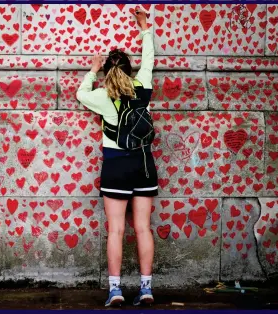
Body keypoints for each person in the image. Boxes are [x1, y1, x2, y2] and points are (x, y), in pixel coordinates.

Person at [75, 6, 158, 307]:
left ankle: (115, 291)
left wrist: (92, 71)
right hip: (144, 164)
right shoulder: (143, 86)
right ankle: (146, 288)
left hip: (115, 165)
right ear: (130, 69)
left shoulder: (102, 95)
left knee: (116, 229)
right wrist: (144, 28)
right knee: (143, 228)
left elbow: (81, 94)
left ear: (109, 70)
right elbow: (149, 59)